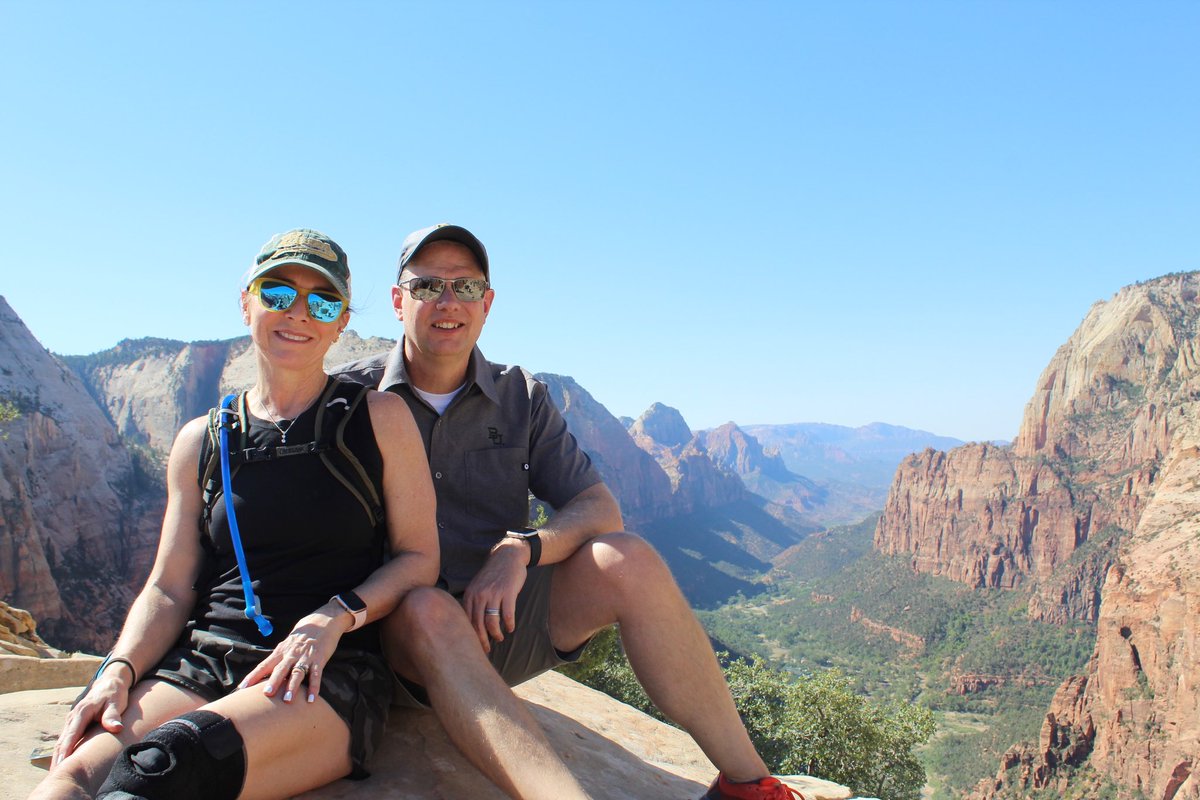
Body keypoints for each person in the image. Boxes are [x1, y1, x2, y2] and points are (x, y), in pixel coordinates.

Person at [332, 223, 806, 800]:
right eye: (428, 285)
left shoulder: (520, 396)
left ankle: (747, 783)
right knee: (429, 606)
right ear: (397, 299)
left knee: (626, 557)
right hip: (395, 647)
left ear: (488, 302)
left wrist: (521, 549)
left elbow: (600, 507)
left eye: (466, 285)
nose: (448, 301)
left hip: (496, 626)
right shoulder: (348, 399)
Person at [31, 229, 439, 800]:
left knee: (168, 766)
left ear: (340, 321)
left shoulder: (378, 419)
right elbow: (169, 589)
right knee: (70, 777)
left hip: (326, 672)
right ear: (246, 301)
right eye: (277, 294)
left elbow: (420, 558)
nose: (298, 314)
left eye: (322, 302)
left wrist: (335, 616)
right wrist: (119, 669)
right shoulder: (201, 439)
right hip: (203, 660)